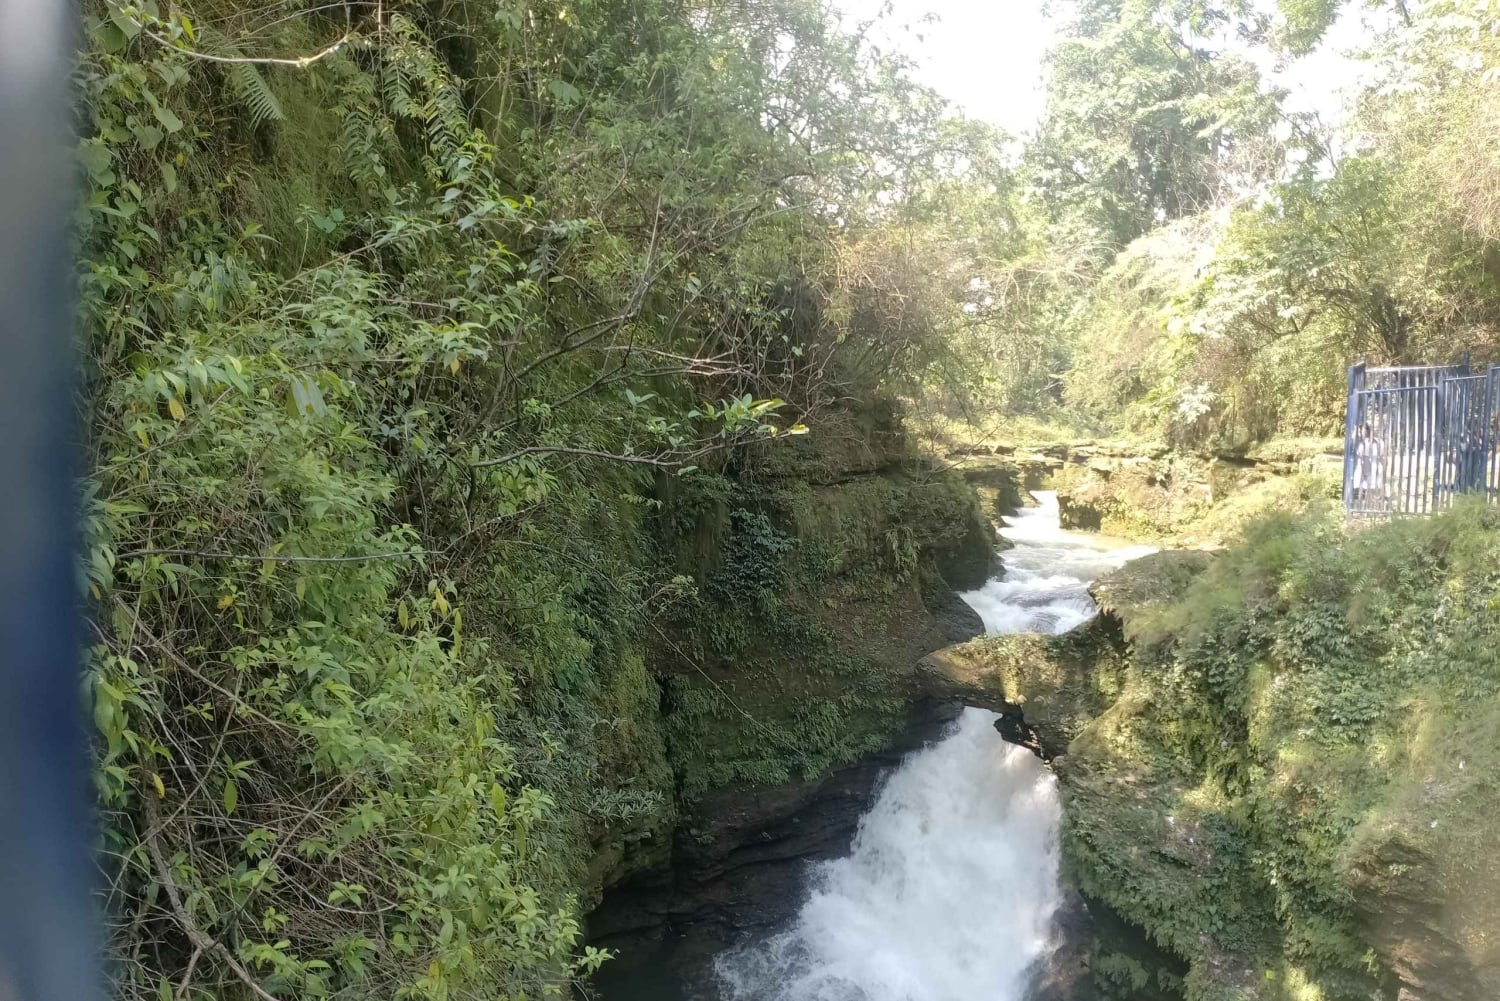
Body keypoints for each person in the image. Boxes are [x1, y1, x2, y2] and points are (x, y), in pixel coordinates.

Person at [1355, 424, 1386, 507]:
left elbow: (1380, 455)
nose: (1360, 433)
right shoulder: (1363, 442)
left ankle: (1369, 506)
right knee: (1369, 488)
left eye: (1361, 431)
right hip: (1368, 466)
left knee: (1371, 487)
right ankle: (1367, 506)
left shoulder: (1376, 442)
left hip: (1370, 466)